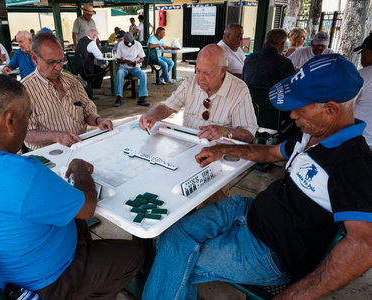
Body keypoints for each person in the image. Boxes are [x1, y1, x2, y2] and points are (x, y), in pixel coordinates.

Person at [142, 54, 372, 300]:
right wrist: (224, 149)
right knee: (171, 238)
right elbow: (270, 152)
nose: (293, 116)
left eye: (300, 109)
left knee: (176, 258)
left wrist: (291, 296)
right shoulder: (311, 135)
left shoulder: (353, 163)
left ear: (330, 109)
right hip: (249, 210)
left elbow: (364, 246)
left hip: (271, 252)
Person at [0, 73, 145, 299]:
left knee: (71, 218)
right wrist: (78, 168)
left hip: (3, 269)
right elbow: (87, 208)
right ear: (10, 121)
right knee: (135, 253)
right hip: (48, 281)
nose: (26, 126)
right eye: (26, 118)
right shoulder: (22, 172)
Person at [139, 44, 257, 143]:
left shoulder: (239, 89)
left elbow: (249, 133)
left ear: (223, 71)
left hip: (221, 150)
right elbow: (167, 108)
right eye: (198, 70)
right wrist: (152, 115)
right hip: (189, 144)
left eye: (207, 73)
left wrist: (226, 132)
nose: (200, 78)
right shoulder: (190, 82)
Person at [21, 32, 112, 151]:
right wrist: (56, 136)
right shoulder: (24, 91)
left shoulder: (72, 82)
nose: (58, 68)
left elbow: (87, 111)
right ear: (35, 59)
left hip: (78, 146)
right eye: (51, 62)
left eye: (61, 61)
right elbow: (24, 133)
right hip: (47, 154)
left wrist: (98, 120)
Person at [114, 32, 149, 108]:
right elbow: (118, 59)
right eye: (127, 43)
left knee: (143, 75)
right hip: (124, 67)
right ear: (124, 41)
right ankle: (119, 97)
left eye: (131, 43)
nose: (129, 44)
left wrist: (136, 62)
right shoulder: (120, 45)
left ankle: (142, 98)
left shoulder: (137, 44)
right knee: (119, 73)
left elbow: (142, 58)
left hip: (135, 67)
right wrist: (127, 61)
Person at [353, 34, 372, 150]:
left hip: (362, 142)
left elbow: (342, 105)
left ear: (368, 52)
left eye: (362, 53)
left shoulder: (363, 76)